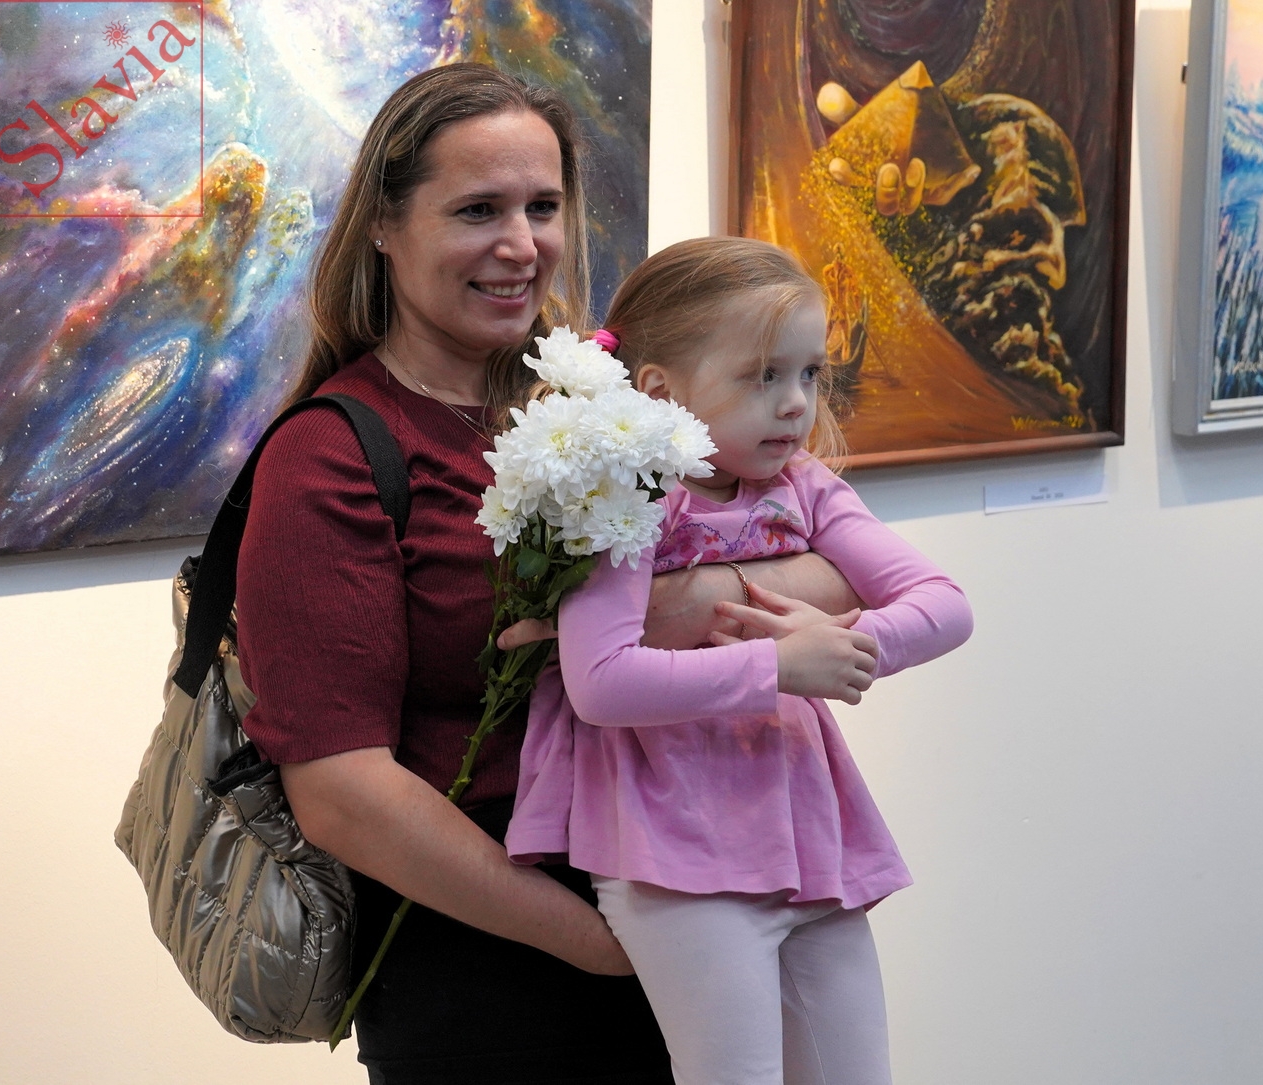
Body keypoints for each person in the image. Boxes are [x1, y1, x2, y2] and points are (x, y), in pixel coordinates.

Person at [234, 66, 862, 1083]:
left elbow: (845, 556)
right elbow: (342, 791)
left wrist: (671, 611)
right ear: (384, 226)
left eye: (542, 206)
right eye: (477, 210)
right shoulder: (332, 455)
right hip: (503, 966)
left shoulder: (609, 400)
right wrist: (601, 944)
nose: (521, 244)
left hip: (696, 895)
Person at [505, 237, 975, 1085]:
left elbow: (945, 604)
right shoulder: (627, 496)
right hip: (676, 848)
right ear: (660, 391)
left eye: (810, 374)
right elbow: (602, 681)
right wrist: (779, 666)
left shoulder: (806, 485)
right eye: (764, 376)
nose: (796, 404)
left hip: (808, 835)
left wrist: (846, 647)